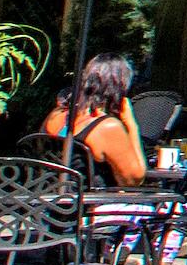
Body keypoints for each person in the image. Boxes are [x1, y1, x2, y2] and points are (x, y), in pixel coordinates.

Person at [45, 55, 149, 188]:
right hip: (88, 204)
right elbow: (133, 180)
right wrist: (132, 125)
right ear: (120, 86)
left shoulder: (56, 115)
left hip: (46, 202)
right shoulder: (107, 127)